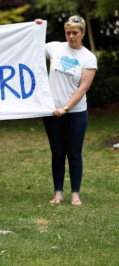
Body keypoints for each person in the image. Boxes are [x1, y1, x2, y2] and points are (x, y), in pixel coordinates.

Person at [35, 16, 97, 206]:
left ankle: (75, 194)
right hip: (52, 112)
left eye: (75, 33)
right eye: (68, 32)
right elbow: (32, 47)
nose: (71, 36)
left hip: (76, 113)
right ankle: (58, 193)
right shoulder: (54, 47)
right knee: (58, 153)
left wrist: (66, 108)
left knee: (75, 153)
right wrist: (36, 29)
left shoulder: (88, 57)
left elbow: (83, 87)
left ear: (82, 33)